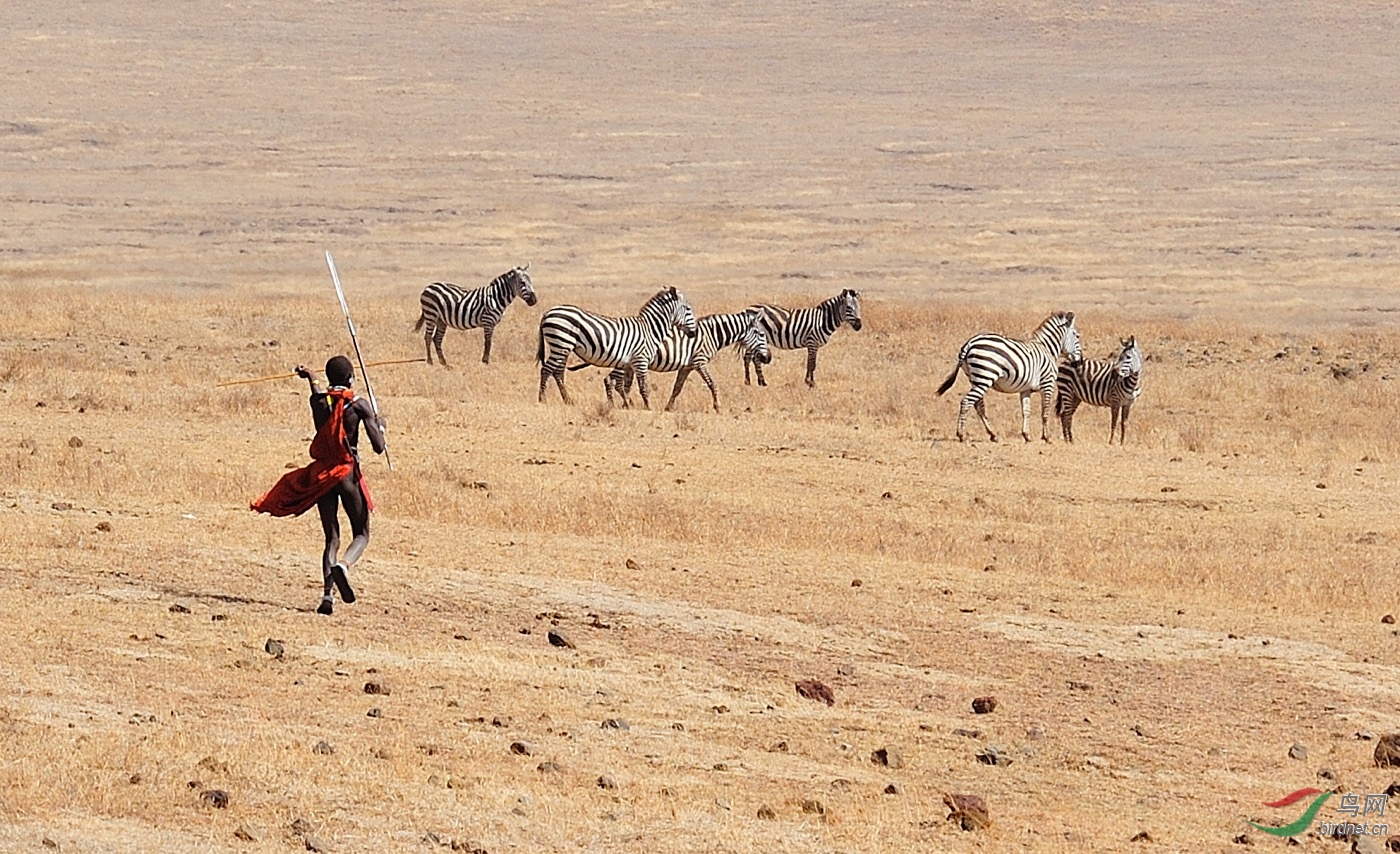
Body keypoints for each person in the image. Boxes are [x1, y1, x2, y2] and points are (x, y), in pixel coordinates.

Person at [251, 355, 385, 615]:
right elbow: (379, 447)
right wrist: (380, 426)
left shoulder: (319, 402)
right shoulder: (359, 405)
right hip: (345, 473)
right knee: (361, 533)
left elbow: (317, 390)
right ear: (350, 378)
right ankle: (344, 565)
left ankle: (327, 596)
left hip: (322, 475)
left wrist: (310, 377)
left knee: (331, 537)